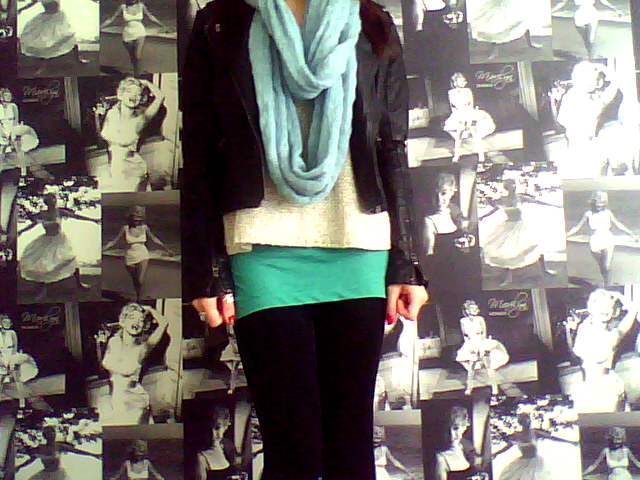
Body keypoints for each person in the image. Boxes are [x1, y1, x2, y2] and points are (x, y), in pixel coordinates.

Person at [181, 0, 429, 478]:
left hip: (357, 242)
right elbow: (199, 148)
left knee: (349, 443)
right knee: (290, 447)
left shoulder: (369, 20)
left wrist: (406, 263)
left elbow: (391, 145)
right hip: (261, 247)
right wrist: (205, 271)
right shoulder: (223, 21)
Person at [565, 288, 638, 413]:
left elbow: (634, 310)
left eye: (610, 307)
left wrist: (619, 295)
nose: (606, 310)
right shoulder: (584, 329)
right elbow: (575, 356)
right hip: (589, 388)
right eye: (602, 305)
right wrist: (570, 331)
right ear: (592, 307)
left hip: (609, 388)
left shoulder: (615, 334)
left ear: (614, 312)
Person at [18, 192, 99, 302]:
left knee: (70, 259)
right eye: (50, 201)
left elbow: (76, 216)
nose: (53, 203)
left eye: (54, 201)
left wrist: (93, 220)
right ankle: (42, 290)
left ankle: (79, 284)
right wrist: (21, 231)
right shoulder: (42, 214)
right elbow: (33, 224)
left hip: (59, 239)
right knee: (44, 265)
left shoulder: (59, 212)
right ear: (47, 203)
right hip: (46, 240)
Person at [97, 302, 168, 426]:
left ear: (144, 326)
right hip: (118, 399)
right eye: (132, 317)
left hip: (136, 401)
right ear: (122, 321)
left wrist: (149, 309)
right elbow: (107, 363)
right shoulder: (114, 342)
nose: (136, 322)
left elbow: (164, 323)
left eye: (141, 320)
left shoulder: (144, 348)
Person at [94, 77, 165, 192]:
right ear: (120, 95)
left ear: (141, 99)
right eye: (129, 91)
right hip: (117, 168)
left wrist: (146, 83)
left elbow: (160, 96)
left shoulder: (141, 119)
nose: (134, 96)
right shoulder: (112, 114)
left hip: (135, 169)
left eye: (138, 94)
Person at [556, 61, 624, 177]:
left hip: (587, 148)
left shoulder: (574, 97)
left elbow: (616, 83)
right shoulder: (574, 99)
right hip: (582, 152)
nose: (595, 82)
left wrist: (602, 68)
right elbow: (563, 121)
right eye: (592, 78)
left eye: (596, 79)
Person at [566, 191, 639, 286]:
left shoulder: (608, 213)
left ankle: (607, 284)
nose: (598, 207)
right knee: (602, 266)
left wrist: (631, 234)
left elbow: (618, 225)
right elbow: (577, 227)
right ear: (593, 204)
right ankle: (606, 280)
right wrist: (566, 235)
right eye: (596, 204)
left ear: (604, 205)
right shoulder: (588, 214)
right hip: (595, 242)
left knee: (607, 266)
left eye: (600, 205)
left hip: (608, 239)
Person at [103, 206, 174, 301]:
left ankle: (139, 298)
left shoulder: (145, 228)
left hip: (143, 255)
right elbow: (114, 241)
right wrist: (103, 249)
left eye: (138, 219)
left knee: (140, 280)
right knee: (135, 280)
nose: (136, 221)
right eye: (135, 219)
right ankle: (138, 296)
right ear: (131, 219)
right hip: (129, 257)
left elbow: (154, 239)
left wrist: (167, 249)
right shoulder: (125, 228)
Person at [100, 0, 171, 76]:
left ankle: (137, 75)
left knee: (138, 56)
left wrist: (163, 26)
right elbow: (111, 19)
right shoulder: (123, 7)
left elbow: (151, 17)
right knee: (133, 57)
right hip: (127, 34)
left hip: (140, 32)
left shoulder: (141, 6)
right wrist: (99, 27)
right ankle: (136, 73)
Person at [17, 0, 89, 75]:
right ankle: (42, 65)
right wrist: (21, 9)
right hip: (45, 18)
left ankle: (78, 59)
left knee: (70, 38)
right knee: (44, 42)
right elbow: (32, 3)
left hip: (58, 18)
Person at [455, 300, 509, 395]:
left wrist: (481, 347)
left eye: (476, 308)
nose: (475, 310)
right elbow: (465, 336)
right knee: (471, 369)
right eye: (472, 308)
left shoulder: (480, 319)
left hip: (481, 343)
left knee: (489, 367)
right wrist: (470, 346)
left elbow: (484, 334)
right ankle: (469, 388)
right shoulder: (463, 321)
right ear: (467, 310)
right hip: (471, 344)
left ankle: (495, 389)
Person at [443, 73, 495, 162]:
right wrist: (458, 117)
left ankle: (481, 156)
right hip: (458, 114)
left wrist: (468, 117)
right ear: (455, 83)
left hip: (469, 112)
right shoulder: (451, 93)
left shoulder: (467, 91)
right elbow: (452, 107)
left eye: (463, 81)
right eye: (460, 81)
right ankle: (457, 155)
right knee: (458, 137)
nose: (463, 82)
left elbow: (471, 104)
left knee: (475, 135)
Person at [467, 0, 543, 60]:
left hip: (512, 4)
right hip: (497, 4)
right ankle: (494, 49)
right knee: (494, 25)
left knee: (522, 21)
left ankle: (530, 43)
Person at [551, 0, 625, 59]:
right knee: (586, 39)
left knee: (590, 39)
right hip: (579, 17)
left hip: (592, 15)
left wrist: (616, 10)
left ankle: (591, 58)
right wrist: (551, 11)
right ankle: (590, 53)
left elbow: (604, 1)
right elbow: (562, 3)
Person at [0, 313, 38, 407]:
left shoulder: (12, 333)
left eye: (8, 322)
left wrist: (12, 361)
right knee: (1, 379)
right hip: (2, 356)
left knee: (17, 379)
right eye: (5, 322)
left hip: (12, 356)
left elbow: (15, 347)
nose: (7, 324)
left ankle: (22, 403)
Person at [435, 406, 482, 480]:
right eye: (447, 429)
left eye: (456, 428)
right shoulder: (442, 458)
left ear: (464, 427)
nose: (451, 434)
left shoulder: (467, 447)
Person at [196, 406, 238, 480]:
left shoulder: (228, 446)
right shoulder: (201, 457)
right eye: (209, 429)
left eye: (217, 428)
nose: (213, 434)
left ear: (225, 427)